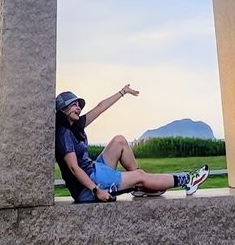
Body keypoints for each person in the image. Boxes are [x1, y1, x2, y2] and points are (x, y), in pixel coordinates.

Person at [55, 86, 210, 203]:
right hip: (88, 187)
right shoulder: (63, 134)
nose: (78, 108)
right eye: (73, 105)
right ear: (62, 110)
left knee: (119, 141)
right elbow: (74, 168)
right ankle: (188, 180)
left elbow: (100, 108)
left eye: (78, 105)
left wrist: (122, 92)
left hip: (94, 170)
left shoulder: (76, 125)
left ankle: (141, 187)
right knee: (139, 175)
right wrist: (96, 191)